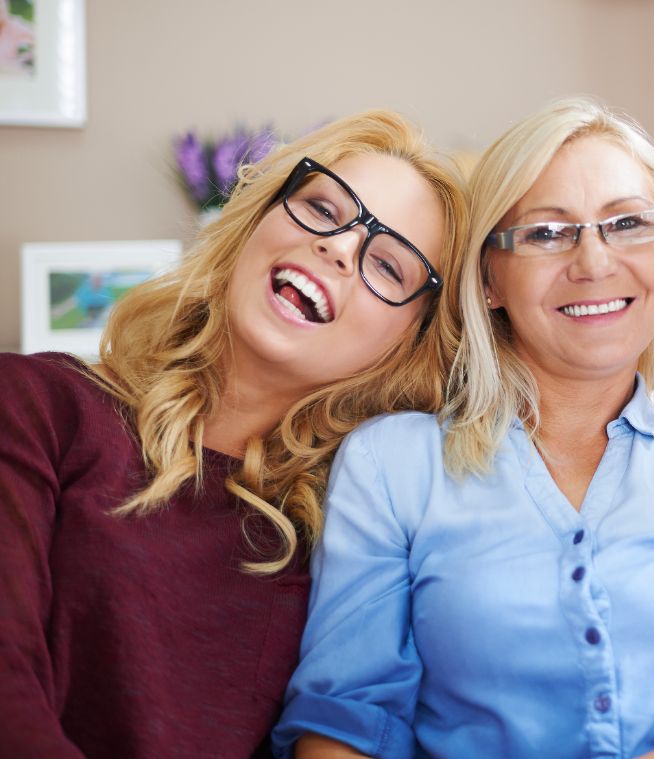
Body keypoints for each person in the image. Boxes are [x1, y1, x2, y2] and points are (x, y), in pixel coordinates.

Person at [273, 96, 654, 759]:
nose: (593, 262)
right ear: (490, 279)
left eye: (627, 223)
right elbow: (341, 729)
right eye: (545, 233)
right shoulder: (391, 464)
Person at [0, 109, 468, 758]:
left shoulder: (353, 551)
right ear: (253, 222)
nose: (338, 245)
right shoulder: (35, 407)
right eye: (324, 208)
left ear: (405, 348)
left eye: (388, 265)